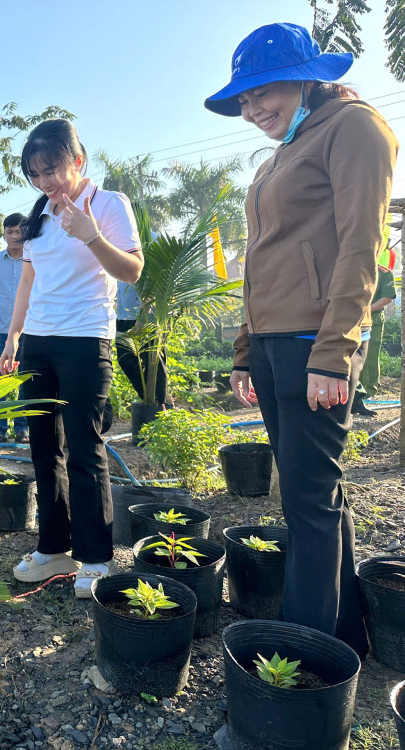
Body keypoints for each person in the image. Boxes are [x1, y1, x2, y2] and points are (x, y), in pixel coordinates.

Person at [206, 22, 398, 656]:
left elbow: (362, 246)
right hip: (272, 343)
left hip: (314, 342)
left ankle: (302, 655)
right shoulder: (279, 157)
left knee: (309, 502)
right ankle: (343, 635)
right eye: (244, 99)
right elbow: (259, 261)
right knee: (312, 494)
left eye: (263, 92)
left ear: (306, 80)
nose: (252, 109)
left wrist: (334, 352)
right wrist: (244, 350)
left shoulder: (355, 128)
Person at [0, 119, 144, 595]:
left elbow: (132, 270)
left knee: (85, 447)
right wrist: (14, 336)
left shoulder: (109, 203)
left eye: (51, 170)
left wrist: (91, 235)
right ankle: (54, 548)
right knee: (43, 447)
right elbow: (28, 280)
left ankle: (96, 557)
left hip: (85, 339)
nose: (44, 182)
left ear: (77, 160)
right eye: (35, 174)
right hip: (38, 341)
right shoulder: (39, 214)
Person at [0, 213, 30, 443]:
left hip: (30, 331)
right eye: (9, 231)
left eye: (18, 231)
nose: (14, 236)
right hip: (0, 332)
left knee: (26, 380)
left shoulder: (34, 259)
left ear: (26, 232)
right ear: (4, 234)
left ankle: (23, 429)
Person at [352, 261, 397, 414]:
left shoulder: (384, 273)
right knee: (351, 356)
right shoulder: (352, 268)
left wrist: (365, 310)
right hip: (350, 319)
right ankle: (355, 392)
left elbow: (387, 298)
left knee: (370, 355)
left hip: (372, 319)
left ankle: (369, 390)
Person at [115, 281, 168, 407]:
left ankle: (160, 402)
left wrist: (142, 319)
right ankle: (150, 399)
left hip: (144, 319)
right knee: (125, 359)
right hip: (123, 319)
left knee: (153, 363)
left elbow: (152, 289)